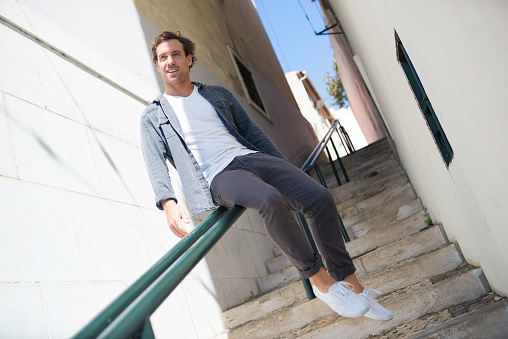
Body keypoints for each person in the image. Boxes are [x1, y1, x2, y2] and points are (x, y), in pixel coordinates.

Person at [140, 31, 392, 321]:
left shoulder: (217, 94)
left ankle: (353, 286)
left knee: (319, 197)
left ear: (189, 59)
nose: (169, 61)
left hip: (252, 157)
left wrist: (282, 168)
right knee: (269, 199)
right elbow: (154, 161)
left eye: (175, 54)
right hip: (218, 175)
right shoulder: (153, 116)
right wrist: (169, 204)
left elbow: (251, 133)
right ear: (158, 65)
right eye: (162, 57)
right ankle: (320, 281)